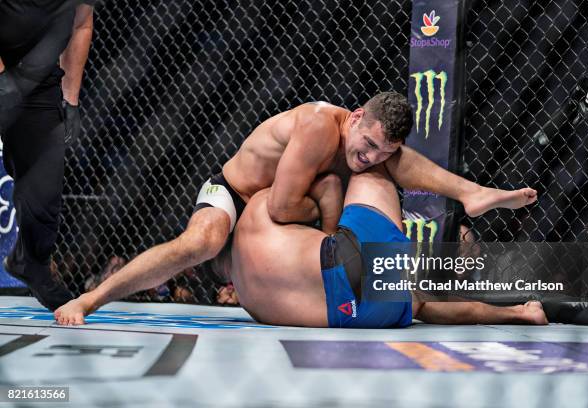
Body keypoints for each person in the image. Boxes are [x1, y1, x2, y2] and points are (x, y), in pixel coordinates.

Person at [54, 92, 537, 323]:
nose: (366, 156)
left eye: (379, 151)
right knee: (200, 241)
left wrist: (337, 193)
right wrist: (328, 200)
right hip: (238, 195)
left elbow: (370, 163)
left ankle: (469, 192)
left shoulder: (367, 151)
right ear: (353, 118)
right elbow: (283, 207)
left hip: (290, 230)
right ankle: (89, 299)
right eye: (366, 142)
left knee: (363, 176)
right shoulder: (319, 128)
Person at [56, 166, 547, 327]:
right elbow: (329, 187)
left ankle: (520, 314)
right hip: (344, 259)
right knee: (373, 167)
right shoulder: (261, 207)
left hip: (354, 314)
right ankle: (469, 194)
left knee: (414, 303)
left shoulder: (248, 299)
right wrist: (333, 235)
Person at [0, 0, 95, 310]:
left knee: (45, 192)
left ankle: (31, 261)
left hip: (39, 83)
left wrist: (70, 100)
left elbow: (81, 23)